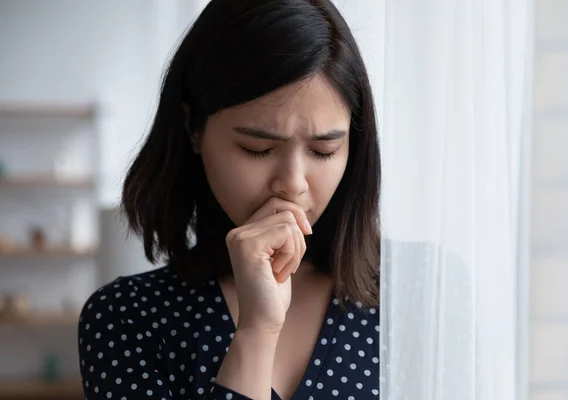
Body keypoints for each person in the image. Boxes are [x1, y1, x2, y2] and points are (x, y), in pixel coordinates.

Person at [78, 0, 381, 399]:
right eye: (258, 148)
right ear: (193, 128)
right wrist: (257, 330)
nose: (292, 184)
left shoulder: (420, 291)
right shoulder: (126, 317)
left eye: (323, 151)